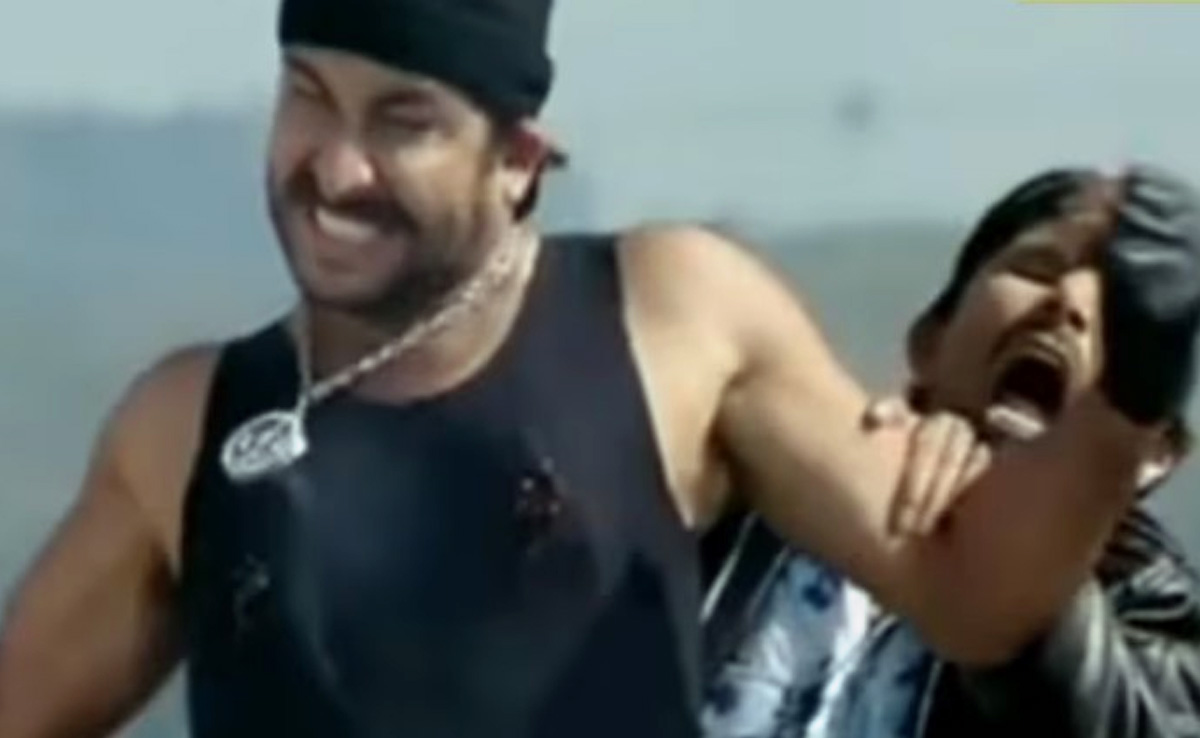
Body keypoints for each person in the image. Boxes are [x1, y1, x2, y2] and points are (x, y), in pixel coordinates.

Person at [1, 0, 1198, 733]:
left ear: (521, 160)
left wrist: (1120, 405)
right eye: (308, 98)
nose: (339, 167)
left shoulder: (677, 320)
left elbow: (980, 602)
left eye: (404, 120)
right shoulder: (185, 426)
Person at [701, 167, 1200, 738]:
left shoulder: (1157, 621)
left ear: (1152, 454)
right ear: (929, 344)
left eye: (1120, 317)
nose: (1067, 304)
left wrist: (1006, 528)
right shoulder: (760, 490)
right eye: (1037, 269)